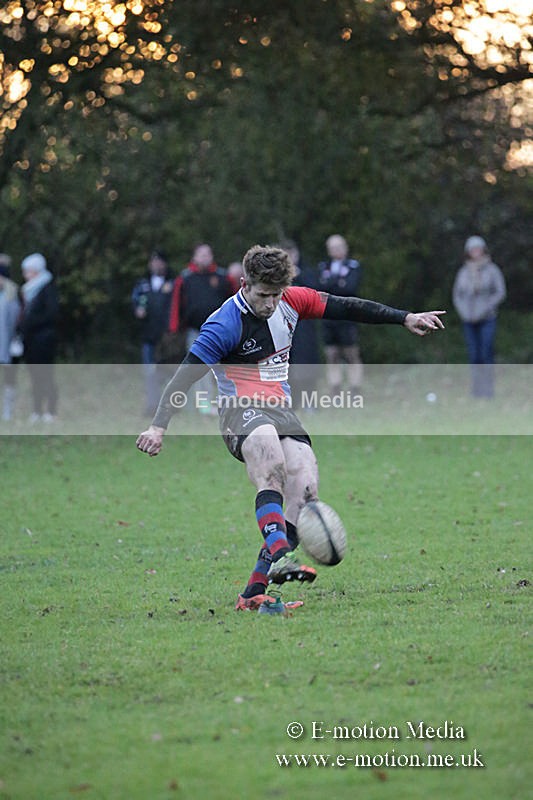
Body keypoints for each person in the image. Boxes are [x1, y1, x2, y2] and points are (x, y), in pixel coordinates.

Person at [136, 245, 445, 613]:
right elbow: (183, 378)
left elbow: (347, 306)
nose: (270, 304)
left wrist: (404, 317)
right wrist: (158, 427)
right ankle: (282, 555)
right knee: (271, 461)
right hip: (240, 412)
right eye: (263, 295)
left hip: (280, 410)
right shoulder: (224, 323)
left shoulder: (292, 300)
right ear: (245, 283)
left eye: (276, 295)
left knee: (305, 483)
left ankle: (254, 592)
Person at [168, 243, 233, 412]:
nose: (204, 257)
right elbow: (176, 304)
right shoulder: (185, 278)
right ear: (194, 257)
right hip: (196, 332)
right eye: (201, 254)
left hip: (221, 332)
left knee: (223, 370)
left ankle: (225, 404)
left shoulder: (223, 277)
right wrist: (174, 328)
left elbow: (234, 301)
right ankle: (203, 406)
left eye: (207, 254)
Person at [452, 235, 506, 398]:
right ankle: (476, 391)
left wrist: (486, 307)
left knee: (486, 353)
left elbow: (500, 292)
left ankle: (488, 391)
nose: (476, 252)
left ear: (483, 250)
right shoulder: (463, 272)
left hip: (487, 318)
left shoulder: (492, 270)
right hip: (468, 320)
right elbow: (457, 295)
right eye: (472, 249)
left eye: (478, 248)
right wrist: (464, 312)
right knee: (474, 355)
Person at [318, 234, 363, 396]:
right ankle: (335, 389)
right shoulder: (324, 266)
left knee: (351, 353)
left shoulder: (353, 266)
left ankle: (355, 388)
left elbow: (350, 288)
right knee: (331, 354)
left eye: (339, 246)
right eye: (332, 248)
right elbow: (321, 288)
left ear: (345, 248)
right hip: (329, 316)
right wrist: (338, 282)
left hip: (347, 316)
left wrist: (333, 283)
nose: (336, 250)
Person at [131, 250, 175, 416]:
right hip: (148, 336)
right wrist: (138, 310)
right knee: (150, 372)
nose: (156, 265)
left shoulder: (173, 283)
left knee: (169, 371)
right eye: (153, 261)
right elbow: (135, 303)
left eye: (159, 261)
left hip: (168, 337)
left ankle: (171, 406)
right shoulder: (142, 285)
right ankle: (152, 405)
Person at [281, 240, 322, 410]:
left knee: (306, 365)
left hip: (304, 327)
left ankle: (309, 403)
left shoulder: (308, 273)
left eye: (293, 255)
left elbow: (315, 293)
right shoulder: (275, 276)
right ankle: (291, 402)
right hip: (283, 327)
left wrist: (299, 276)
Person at [19, 253, 59, 423]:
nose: (25, 275)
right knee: (34, 377)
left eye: (27, 271)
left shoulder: (47, 289)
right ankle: (36, 411)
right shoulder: (27, 291)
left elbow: (51, 314)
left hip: (44, 341)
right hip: (30, 342)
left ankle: (50, 411)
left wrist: (30, 322)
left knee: (46, 376)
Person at [0, 255, 21, 422]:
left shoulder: (11, 295)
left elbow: (16, 321)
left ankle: (8, 412)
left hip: (7, 345)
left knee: (9, 380)